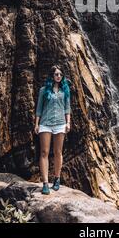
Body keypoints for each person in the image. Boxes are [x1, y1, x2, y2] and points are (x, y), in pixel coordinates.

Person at [34, 65, 71, 195]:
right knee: (44, 152)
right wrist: (37, 124)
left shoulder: (65, 90)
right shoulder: (44, 90)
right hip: (45, 123)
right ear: (52, 76)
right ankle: (45, 183)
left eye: (60, 74)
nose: (59, 76)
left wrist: (68, 123)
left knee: (58, 152)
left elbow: (67, 108)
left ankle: (57, 178)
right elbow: (39, 109)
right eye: (56, 74)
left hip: (60, 124)